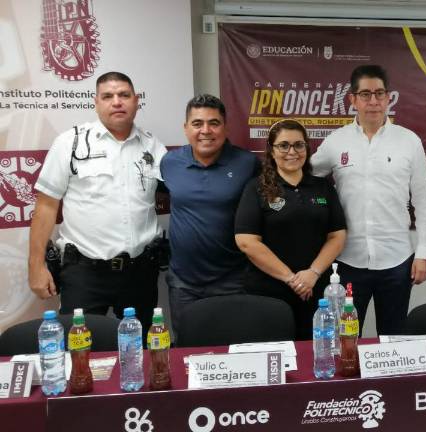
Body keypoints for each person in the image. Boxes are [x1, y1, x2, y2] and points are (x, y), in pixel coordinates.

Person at [28, 71, 167, 330]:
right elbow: (46, 206)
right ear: (96, 102)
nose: (117, 102)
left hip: (140, 273)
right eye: (108, 96)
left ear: (136, 100)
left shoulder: (152, 146)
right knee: (82, 347)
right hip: (85, 274)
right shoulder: (70, 143)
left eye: (124, 95)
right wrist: (35, 266)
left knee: (141, 344)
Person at [311, 65, 426, 335]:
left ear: (388, 97)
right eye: (365, 94)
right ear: (353, 99)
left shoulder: (409, 141)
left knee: (394, 339)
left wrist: (425, 253)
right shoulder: (336, 142)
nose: (373, 101)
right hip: (348, 261)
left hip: (397, 261)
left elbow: (424, 202)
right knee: (346, 338)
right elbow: (306, 176)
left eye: (380, 93)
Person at [234, 119, 346, 340]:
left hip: (316, 290)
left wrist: (313, 273)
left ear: (307, 148)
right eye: (283, 145)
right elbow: (246, 242)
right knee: (272, 353)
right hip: (269, 292)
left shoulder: (322, 187)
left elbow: (337, 236)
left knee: (317, 350)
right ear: (272, 150)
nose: (292, 152)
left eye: (298, 145)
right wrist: (292, 279)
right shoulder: (256, 188)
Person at [160, 94, 261, 334]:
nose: (205, 130)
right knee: (187, 348)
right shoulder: (170, 163)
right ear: (186, 128)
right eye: (197, 123)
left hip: (234, 280)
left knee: (233, 347)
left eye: (214, 123)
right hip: (184, 283)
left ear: (225, 127)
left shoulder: (247, 163)